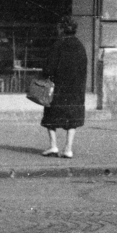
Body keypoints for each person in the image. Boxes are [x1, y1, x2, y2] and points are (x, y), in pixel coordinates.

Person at [40, 16, 87, 158]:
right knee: (72, 118)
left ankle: (53, 146)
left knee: (50, 117)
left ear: (61, 28)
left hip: (58, 87)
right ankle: (68, 149)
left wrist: (45, 74)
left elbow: (49, 68)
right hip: (75, 89)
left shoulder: (58, 44)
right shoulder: (80, 46)